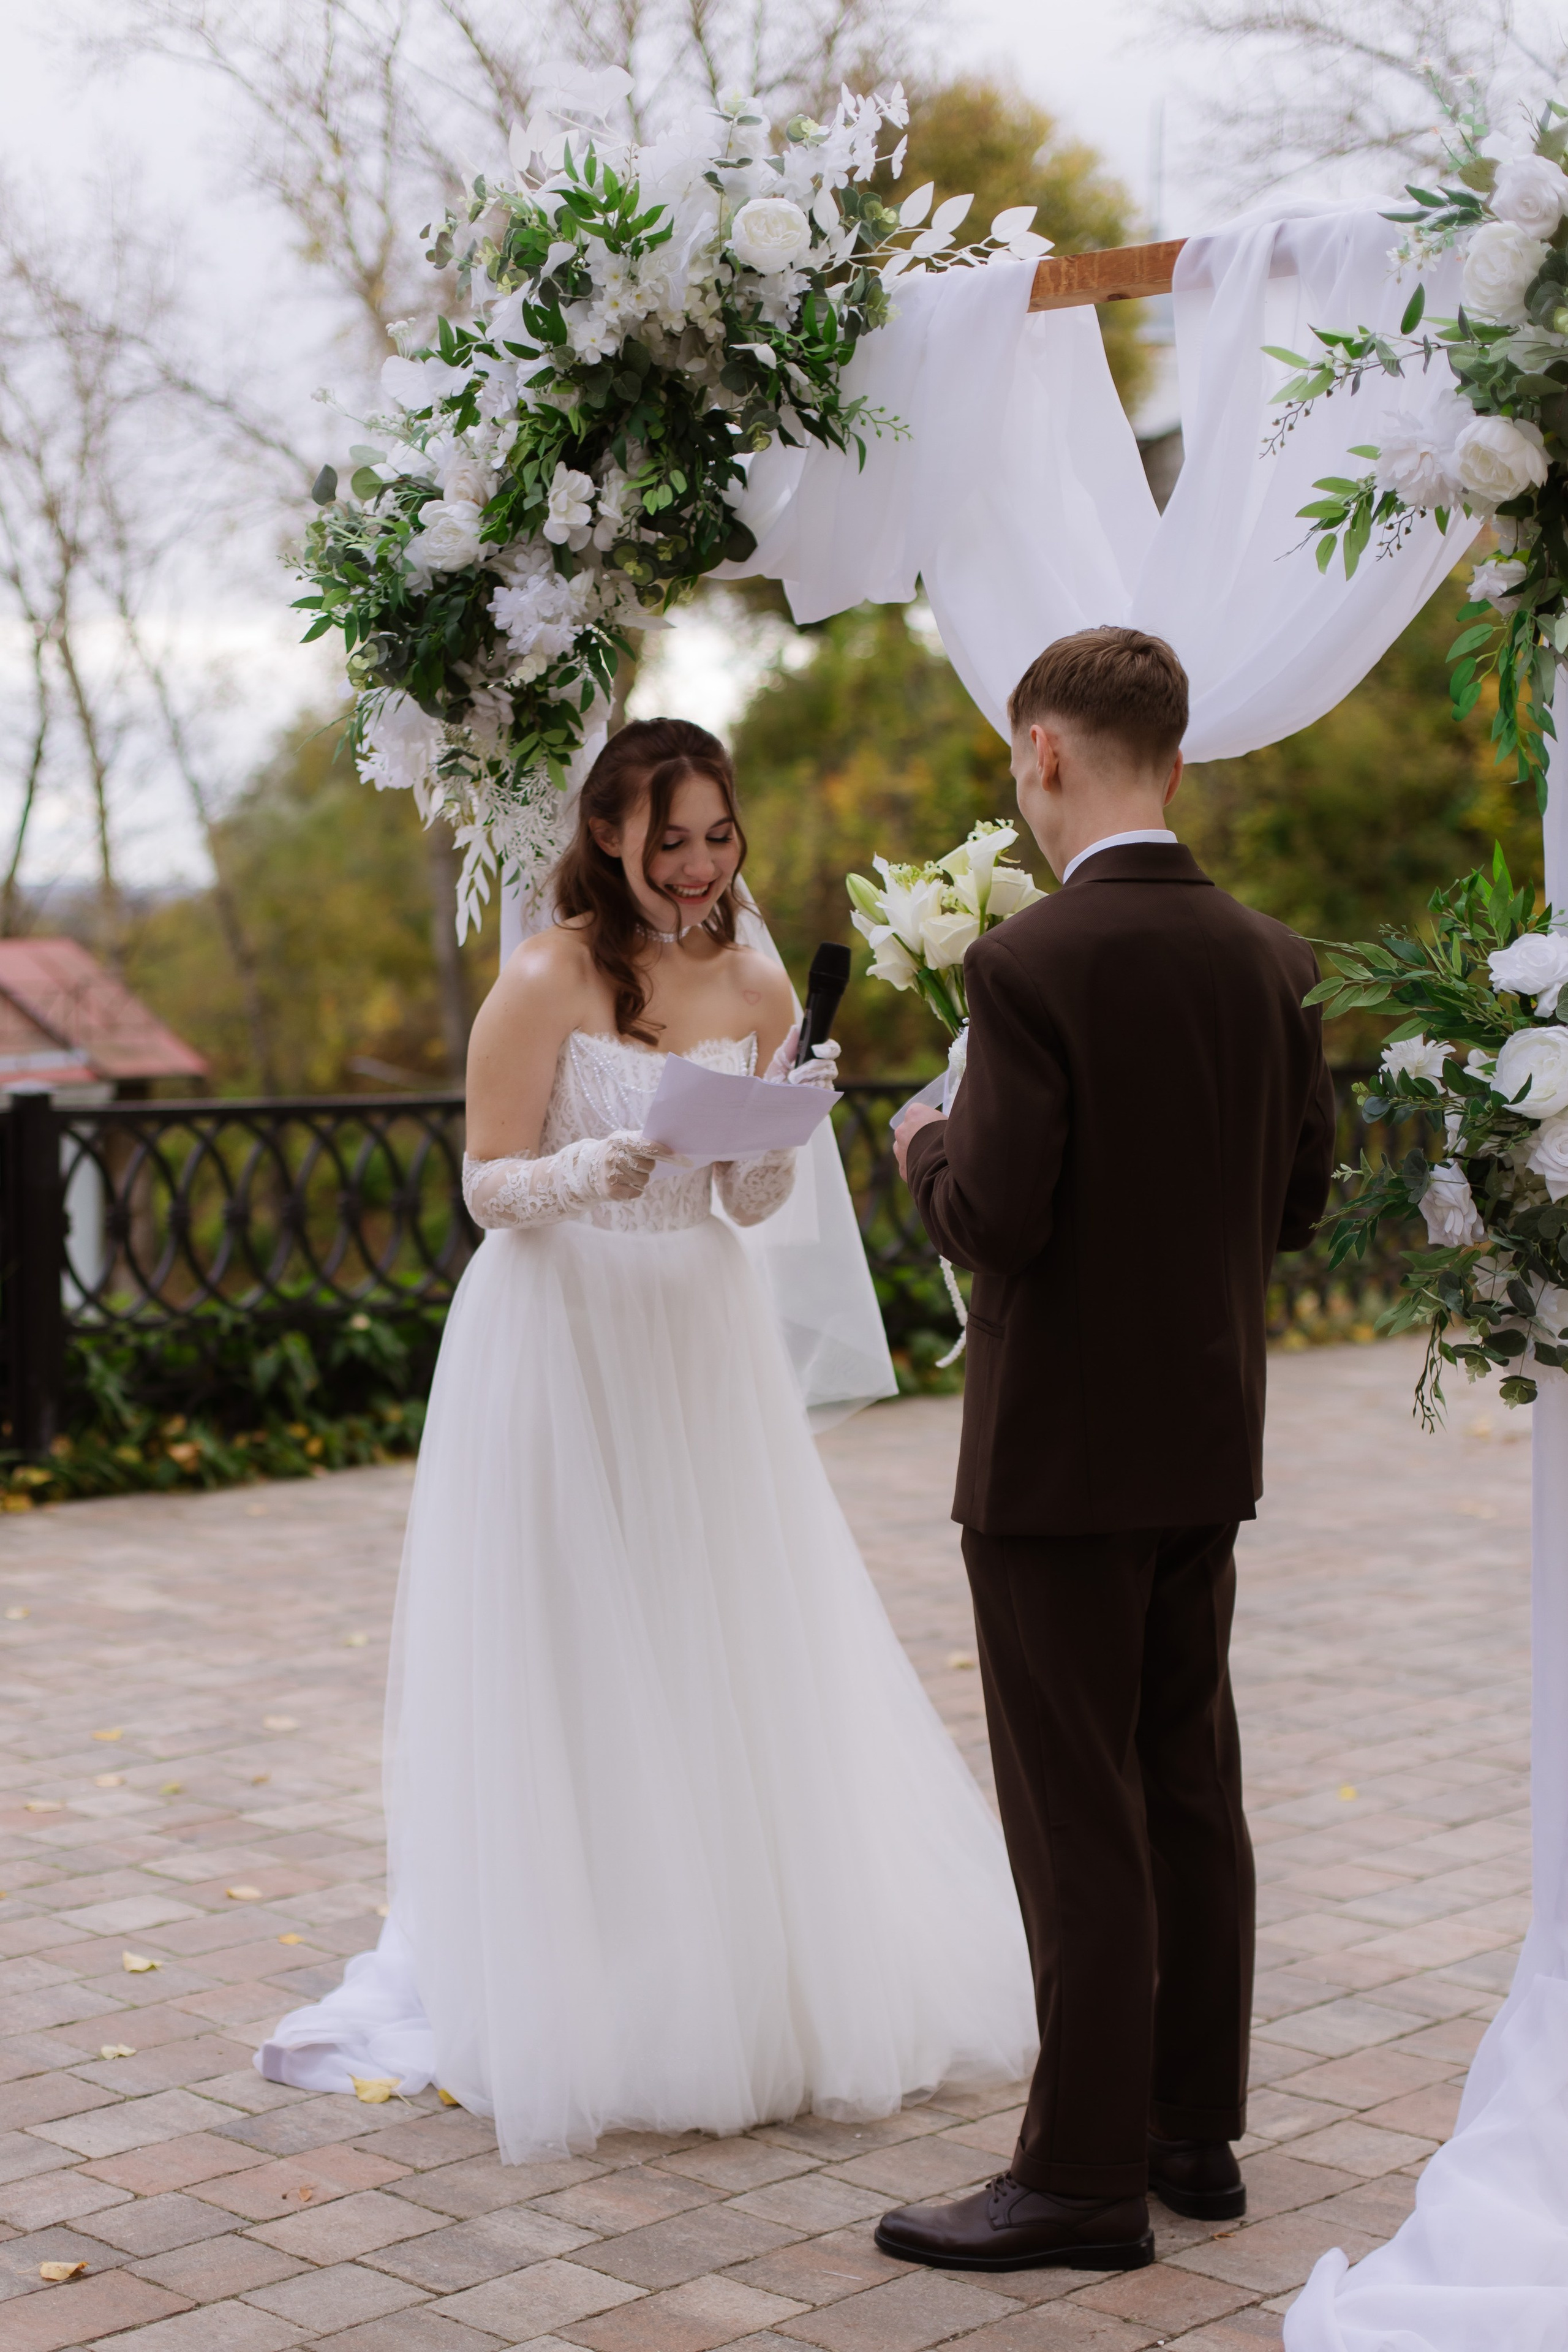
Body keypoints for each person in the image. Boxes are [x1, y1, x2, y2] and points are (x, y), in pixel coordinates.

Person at [257, 715, 1036, 2158]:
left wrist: (775, 1132)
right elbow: (484, 1183)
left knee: (710, 1632)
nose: (695, 864)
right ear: (609, 833)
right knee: (570, 1636)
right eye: (667, 837)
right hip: (557, 1326)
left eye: (716, 835)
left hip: (693, 1331)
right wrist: (581, 1169)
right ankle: (586, 1968)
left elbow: (743, 1209)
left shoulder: (751, 978)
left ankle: (721, 1969)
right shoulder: (546, 973)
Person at [878, 628, 1336, 2274]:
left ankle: (1077, 2181)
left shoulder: (1029, 969)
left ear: (1050, 753)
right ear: (1179, 761)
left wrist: (925, 1143)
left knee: (1078, 1810)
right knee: (1188, 1785)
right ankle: (1187, 2137)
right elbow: (1296, 1205)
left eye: (1019, 760)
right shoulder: (1280, 962)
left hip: (1058, 1461)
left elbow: (998, 1218)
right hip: (1207, 1438)